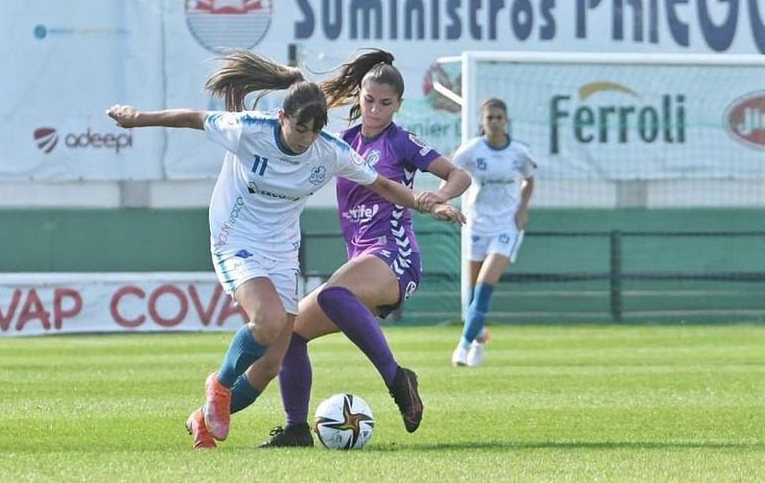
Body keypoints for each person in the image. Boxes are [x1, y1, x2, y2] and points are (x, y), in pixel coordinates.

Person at [106, 50, 464, 449]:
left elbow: (389, 185)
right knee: (279, 329)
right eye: (299, 129)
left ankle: (393, 381)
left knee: (303, 324)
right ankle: (248, 407)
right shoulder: (258, 130)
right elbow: (193, 118)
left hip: (358, 254)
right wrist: (137, 119)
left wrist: (431, 201)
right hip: (238, 239)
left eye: (313, 132)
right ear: (283, 118)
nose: (304, 140)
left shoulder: (342, 149)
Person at [236, 49, 472, 448]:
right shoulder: (339, 143)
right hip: (362, 261)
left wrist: (440, 197)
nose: (376, 109)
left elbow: (458, 174)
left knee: (332, 294)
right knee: (291, 334)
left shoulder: (402, 142)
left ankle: (398, 380)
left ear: (399, 104)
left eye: (386, 103)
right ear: (358, 97)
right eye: (369, 100)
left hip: (395, 259)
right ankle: (296, 429)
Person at [450, 97, 535, 367]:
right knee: (472, 297)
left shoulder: (519, 153)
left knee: (485, 288)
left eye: (499, 117)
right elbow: (452, 173)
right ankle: (478, 339)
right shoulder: (471, 151)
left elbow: (529, 180)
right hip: (476, 224)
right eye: (490, 118)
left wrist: (522, 209)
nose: (495, 122)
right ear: (482, 121)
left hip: (505, 226)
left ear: (506, 120)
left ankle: (461, 347)